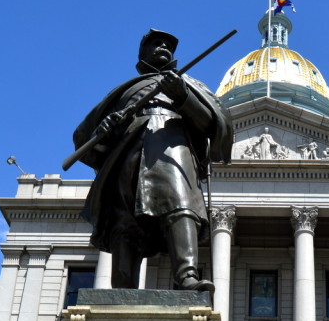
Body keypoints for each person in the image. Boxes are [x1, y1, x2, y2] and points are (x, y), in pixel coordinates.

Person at [73, 30, 232, 291]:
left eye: (168, 45)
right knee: (124, 219)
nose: (163, 47)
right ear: (142, 54)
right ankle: (122, 287)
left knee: (181, 206)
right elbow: (86, 140)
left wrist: (182, 97)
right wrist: (107, 129)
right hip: (127, 152)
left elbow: (213, 125)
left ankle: (187, 276)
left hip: (172, 146)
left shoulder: (187, 84)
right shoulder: (124, 91)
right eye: (156, 43)